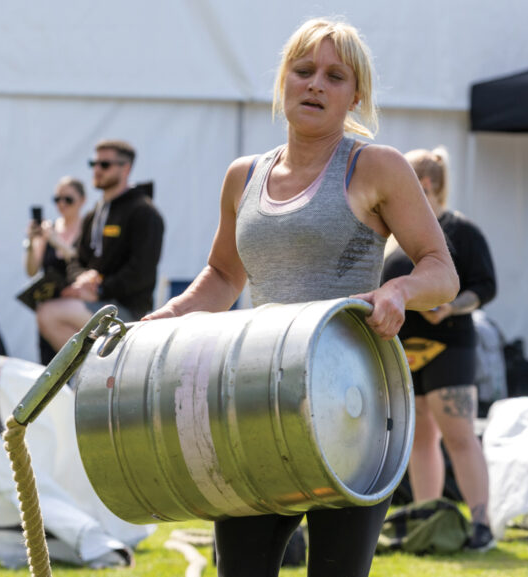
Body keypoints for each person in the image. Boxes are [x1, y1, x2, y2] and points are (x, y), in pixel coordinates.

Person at [143, 18, 458, 577]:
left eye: (334, 76)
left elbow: (442, 273)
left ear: (354, 95)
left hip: (354, 405)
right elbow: (222, 275)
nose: (315, 84)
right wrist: (163, 319)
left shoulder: (377, 166)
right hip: (253, 403)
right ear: (283, 80)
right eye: (303, 70)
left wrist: (398, 289)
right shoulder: (243, 177)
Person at [382, 146, 498, 551]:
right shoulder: (393, 237)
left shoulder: (460, 230)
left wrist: (451, 307)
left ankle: (482, 523)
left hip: (451, 345)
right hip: (404, 350)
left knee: (459, 435)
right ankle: (428, 521)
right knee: (419, 439)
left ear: (425, 184)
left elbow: (486, 287)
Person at [36, 140, 164, 350]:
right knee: (46, 311)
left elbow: (142, 273)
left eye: (104, 165)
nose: (96, 169)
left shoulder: (145, 213)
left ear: (126, 168)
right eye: (93, 163)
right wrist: (81, 280)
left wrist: (100, 290)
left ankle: (91, 377)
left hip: (129, 313)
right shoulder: (94, 214)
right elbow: (77, 260)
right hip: (97, 304)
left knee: (50, 313)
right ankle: (92, 377)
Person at [24, 176, 86, 363]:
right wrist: (29, 242)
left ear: (82, 200)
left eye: (68, 199)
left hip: (78, 307)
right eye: (57, 199)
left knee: (80, 360)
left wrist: (56, 242)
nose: (62, 204)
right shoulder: (48, 229)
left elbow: (81, 262)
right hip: (50, 306)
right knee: (50, 366)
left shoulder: (87, 228)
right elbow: (31, 270)